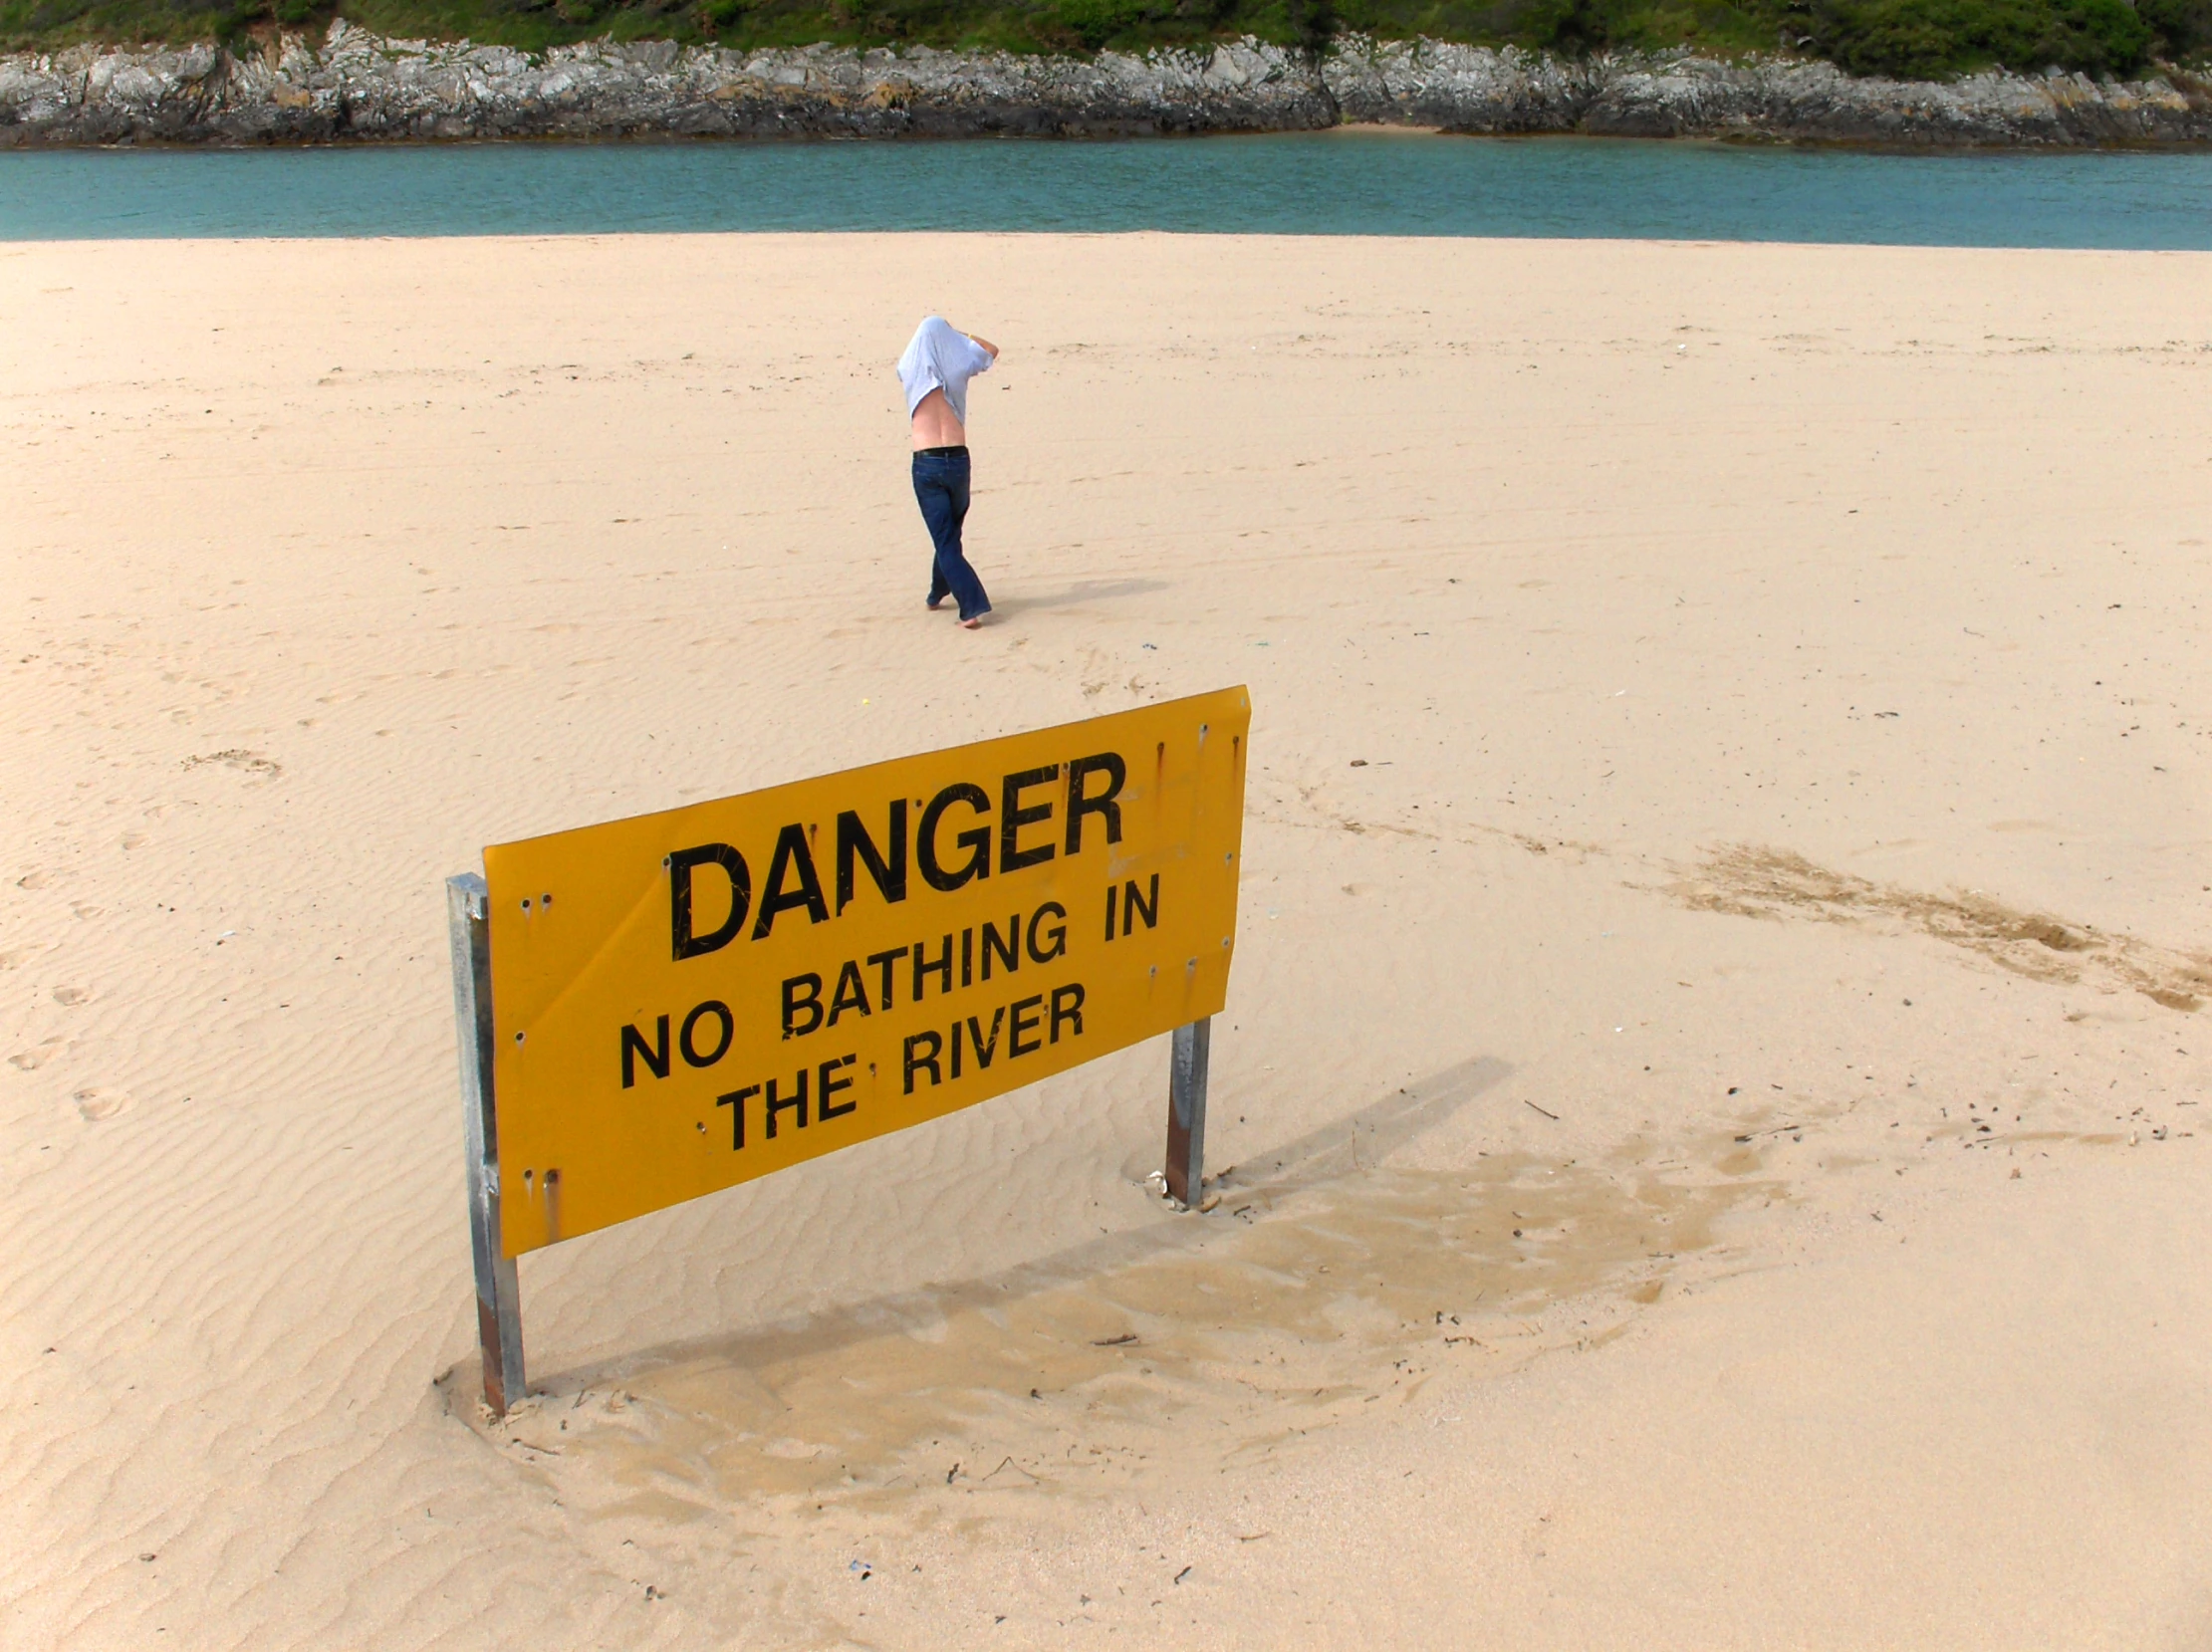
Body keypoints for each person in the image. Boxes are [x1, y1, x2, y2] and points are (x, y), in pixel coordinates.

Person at [897, 316, 999, 628]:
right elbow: (991, 349)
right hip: (957, 461)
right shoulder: (958, 368)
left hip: (927, 464)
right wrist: (960, 334)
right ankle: (937, 590)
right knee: (948, 535)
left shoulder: (909, 369)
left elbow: (909, 359)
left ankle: (972, 606)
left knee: (945, 539)